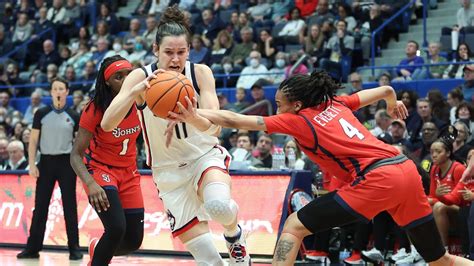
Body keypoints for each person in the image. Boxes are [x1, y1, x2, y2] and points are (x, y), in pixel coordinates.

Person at [171, 71, 474, 265]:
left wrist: (192, 112)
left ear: (298, 105)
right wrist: (393, 102)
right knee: (440, 260)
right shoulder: (336, 103)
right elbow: (384, 89)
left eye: (280, 104)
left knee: (293, 225)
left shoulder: (298, 120)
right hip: (404, 170)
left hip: (378, 178)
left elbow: (237, 120)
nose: (278, 110)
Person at [101, 6, 250, 266]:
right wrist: (132, 91)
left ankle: (234, 233)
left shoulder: (200, 73)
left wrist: (191, 117)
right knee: (209, 262)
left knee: (220, 207)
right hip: (168, 172)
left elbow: (215, 129)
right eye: (168, 52)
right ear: (155, 50)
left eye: (181, 52)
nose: (175, 59)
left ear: (189, 51)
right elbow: (106, 123)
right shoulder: (141, 77)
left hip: (204, 156)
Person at [70, 56, 146, 266]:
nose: (125, 79)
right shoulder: (95, 108)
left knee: (133, 241)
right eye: (118, 77)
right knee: (116, 228)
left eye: (129, 74)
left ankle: (97, 247)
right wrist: (91, 183)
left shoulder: (141, 100)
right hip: (100, 170)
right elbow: (75, 155)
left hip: (129, 172)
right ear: (107, 82)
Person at [17, 77, 82, 260]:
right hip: (45, 163)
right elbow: (33, 141)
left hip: (66, 164)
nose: (58, 91)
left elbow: (78, 145)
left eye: (62, 88)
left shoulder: (74, 116)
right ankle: (32, 248)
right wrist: (31, 164)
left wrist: (79, 166)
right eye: (55, 88)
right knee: (40, 207)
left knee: (70, 206)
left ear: (67, 92)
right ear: (51, 92)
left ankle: (74, 248)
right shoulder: (41, 113)